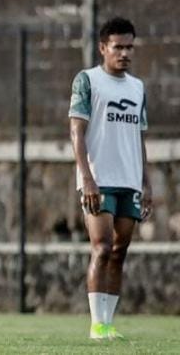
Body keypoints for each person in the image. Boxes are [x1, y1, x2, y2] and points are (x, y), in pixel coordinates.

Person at [69, 17, 153, 340]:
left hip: (129, 180)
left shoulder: (138, 87)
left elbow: (139, 138)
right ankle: (96, 325)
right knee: (101, 248)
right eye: (118, 47)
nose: (125, 53)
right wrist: (86, 178)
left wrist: (146, 182)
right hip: (99, 179)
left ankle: (109, 322)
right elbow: (77, 131)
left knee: (120, 251)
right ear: (103, 48)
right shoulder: (87, 81)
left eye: (130, 46)